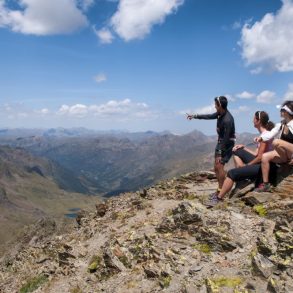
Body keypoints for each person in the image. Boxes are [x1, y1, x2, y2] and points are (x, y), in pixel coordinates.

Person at [206, 111, 274, 207]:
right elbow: (256, 153)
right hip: (261, 163)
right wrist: (243, 147)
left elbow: (259, 157)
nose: (252, 120)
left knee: (231, 173)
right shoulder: (264, 134)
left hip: (264, 166)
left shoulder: (264, 136)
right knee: (236, 150)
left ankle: (219, 198)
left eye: (254, 119)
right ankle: (242, 177)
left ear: (258, 121)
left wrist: (248, 165)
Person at [187, 96, 235, 197]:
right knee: (216, 167)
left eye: (215, 104)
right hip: (221, 142)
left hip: (226, 144)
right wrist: (194, 116)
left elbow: (226, 138)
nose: (214, 106)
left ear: (220, 105)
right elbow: (209, 116)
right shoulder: (221, 113)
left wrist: (221, 152)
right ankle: (220, 188)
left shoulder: (228, 120)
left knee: (219, 166)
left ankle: (222, 190)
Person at [254, 100, 293, 192]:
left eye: (282, 110)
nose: (280, 111)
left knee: (276, 142)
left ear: (286, 112)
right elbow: (271, 134)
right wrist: (261, 138)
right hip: (286, 154)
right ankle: (266, 184)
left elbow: (274, 140)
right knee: (265, 157)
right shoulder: (281, 124)